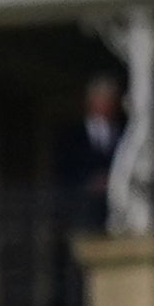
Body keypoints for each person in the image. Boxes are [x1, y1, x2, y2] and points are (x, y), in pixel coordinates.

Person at [49, 75, 126, 210]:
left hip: (117, 205)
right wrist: (88, 183)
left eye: (110, 99)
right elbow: (64, 167)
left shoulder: (124, 133)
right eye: (102, 98)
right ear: (91, 101)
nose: (107, 103)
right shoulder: (71, 135)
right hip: (81, 206)